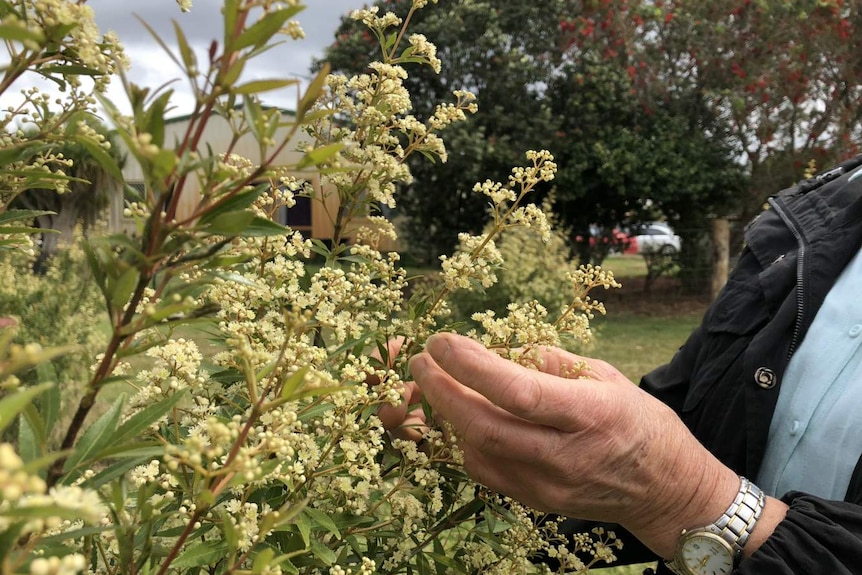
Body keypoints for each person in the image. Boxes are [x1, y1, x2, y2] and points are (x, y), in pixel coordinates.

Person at [397, 155, 862, 574]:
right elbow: (681, 418)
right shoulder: (814, 212)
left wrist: (696, 502)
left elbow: (665, 478)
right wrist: (479, 443)